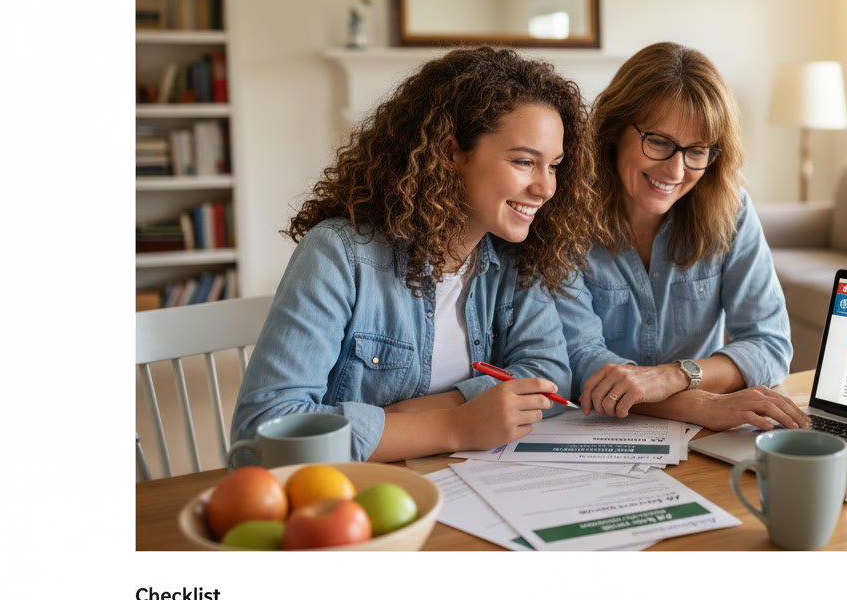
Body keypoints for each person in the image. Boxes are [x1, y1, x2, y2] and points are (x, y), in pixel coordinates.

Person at [231, 47, 597, 464]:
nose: (546, 188)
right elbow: (262, 433)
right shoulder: (340, 254)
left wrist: (410, 416)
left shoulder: (515, 256)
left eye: (554, 165)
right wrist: (456, 425)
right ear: (450, 153)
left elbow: (547, 376)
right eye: (524, 161)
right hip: (350, 501)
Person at [556, 42, 810, 431]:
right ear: (614, 129)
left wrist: (674, 376)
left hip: (703, 435)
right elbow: (580, 364)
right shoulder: (563, 214)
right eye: (658, 142)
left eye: (697, 151)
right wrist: (701, 406)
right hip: (596, 430)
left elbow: (770, 344)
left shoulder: (732, 209)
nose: (676, 171)